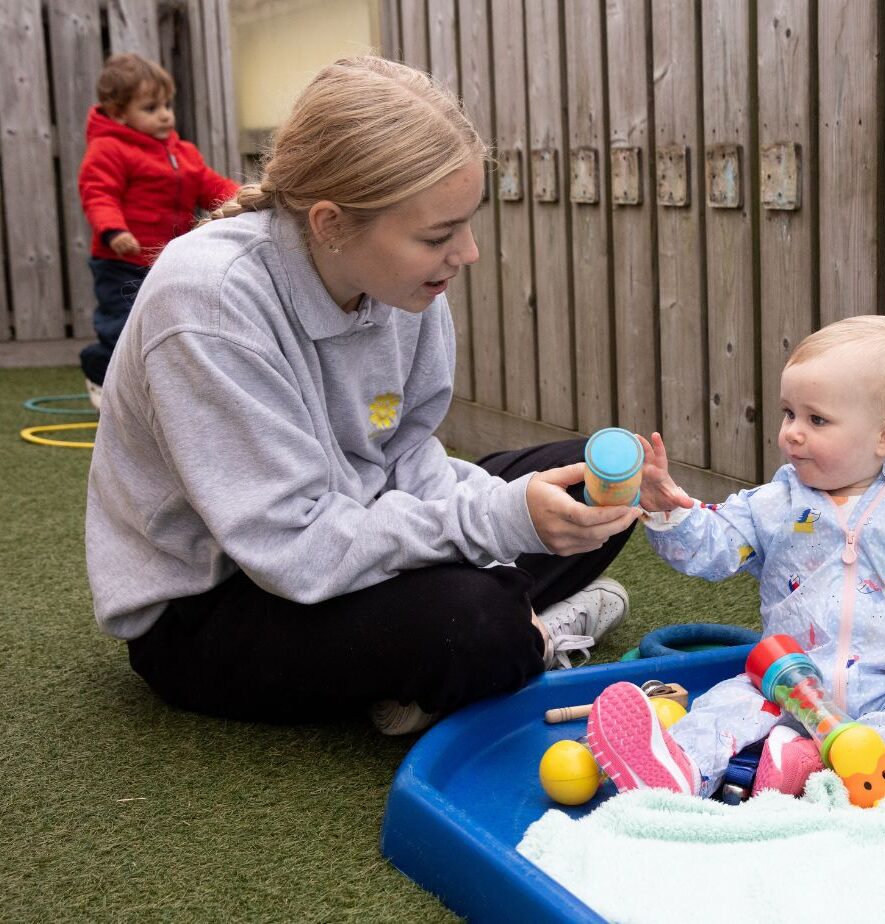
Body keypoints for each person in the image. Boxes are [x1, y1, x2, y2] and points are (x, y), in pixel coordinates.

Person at [85, 56, 639, 736]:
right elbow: (292, 547)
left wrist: (508, 514)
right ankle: (526, 637)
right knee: (475, 623)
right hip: (212, 604)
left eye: (466, 224)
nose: (466, 253)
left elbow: (408, 454)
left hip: (354, 525)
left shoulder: (402, 284)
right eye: (438, 235)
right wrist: (498, 526)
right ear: (330, 223)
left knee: (595, 478)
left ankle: (484, 645)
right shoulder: (208, 303)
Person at [586, 316, 885, 799]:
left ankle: (833, 757)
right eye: (788, 413)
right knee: (728, 704)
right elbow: (711, 545)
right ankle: (677, 770)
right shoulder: (774, 505)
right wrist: (669, 511)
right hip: (787, 688)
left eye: (816, 419)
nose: (792, 433)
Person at [77, 53, 240, 409]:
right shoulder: (109, 149)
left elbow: (209, 185)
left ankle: (159, 386)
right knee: (122, 325)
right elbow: (98, 193)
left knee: (166, 322)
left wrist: (244, 197)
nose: (165, 114)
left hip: (167, 258)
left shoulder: (182, 153)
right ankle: (99, 368)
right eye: (151, 108)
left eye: (167, 105)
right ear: (119, 113)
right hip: (121, 258)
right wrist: (112, 230)